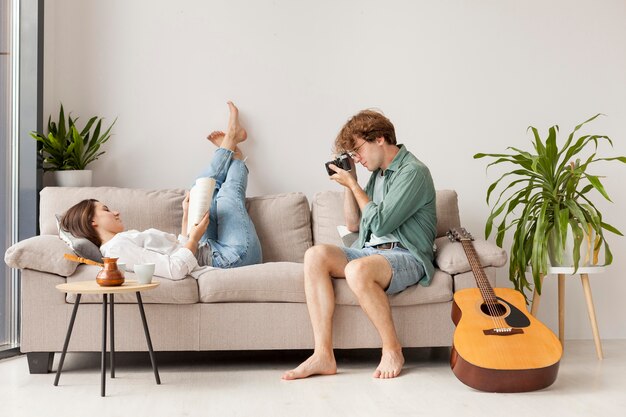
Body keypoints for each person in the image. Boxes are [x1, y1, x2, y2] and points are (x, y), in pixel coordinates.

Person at [282, 109, 436, 380]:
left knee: (357, 270)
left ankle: (392, 349)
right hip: (371, 253)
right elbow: (354, 224)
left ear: (379, 139)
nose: (358, 158)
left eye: (357, 149)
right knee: (316, 255)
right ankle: (323, 355)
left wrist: (354, 185)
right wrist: (347, 183)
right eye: (352, 154)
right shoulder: (378, 175)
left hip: (406, 255)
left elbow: (382, 224)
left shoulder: (413, 172)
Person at [60, 102, 262, 279]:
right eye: (105, 210)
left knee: (201, 189)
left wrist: (185, 217)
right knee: (226, 198)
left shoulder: (121, 242)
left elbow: (177, 251)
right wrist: (193, 238)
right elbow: (175, 269)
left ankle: (231, 148)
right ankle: (233, 148)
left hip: (208, 251)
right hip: (232, 258)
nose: (115, 212)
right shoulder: (117, 250)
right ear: (92, 221)